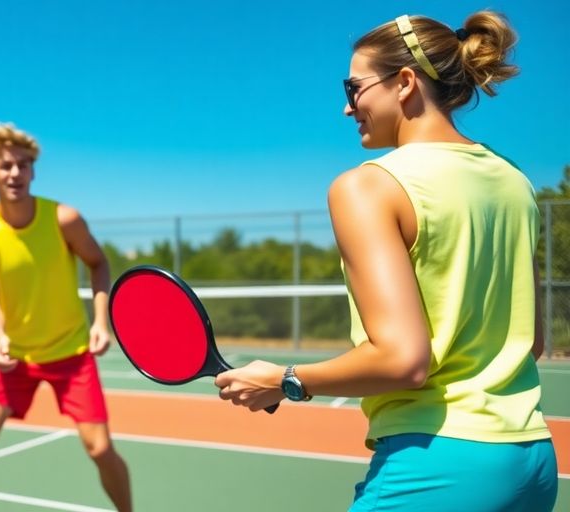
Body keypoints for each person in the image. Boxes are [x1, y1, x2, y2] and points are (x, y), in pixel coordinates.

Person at [213, 11, 556, 512]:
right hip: (532, 464)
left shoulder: (368, 186)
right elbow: (533, 342)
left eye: (353, 89)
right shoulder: (514, 181)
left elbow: (403, 359)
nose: (347, 109)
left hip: (439, 464)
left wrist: (284, 380)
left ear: (405, 83)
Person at [0, 123, 132, 511]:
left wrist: (102, 321)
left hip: (70, 352)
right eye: (5, 166)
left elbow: (98, 263)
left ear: (33, 171)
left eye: (23, 165)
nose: (15, 173)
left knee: (100, 449)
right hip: (13, 355)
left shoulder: (64, 219)